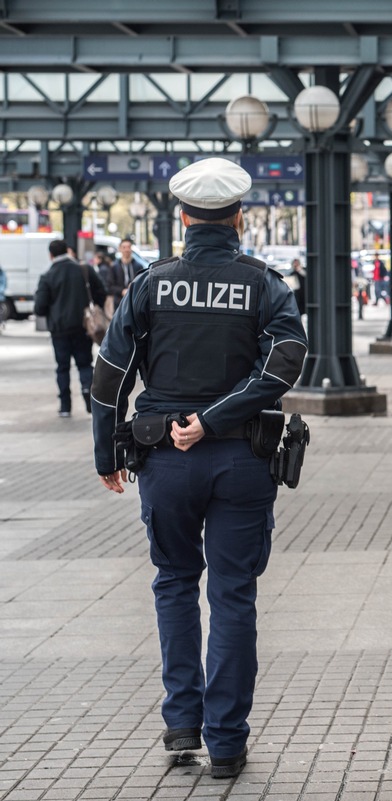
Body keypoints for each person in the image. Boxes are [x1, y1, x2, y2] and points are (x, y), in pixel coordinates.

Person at [90, 158, 308, 779]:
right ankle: (228, 742)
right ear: (239, 217)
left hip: (163, 461)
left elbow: (110, 379)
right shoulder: (265, 284)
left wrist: (107, 453)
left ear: (182, 217)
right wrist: (214, 419)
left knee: (175, 582)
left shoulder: (149, 285)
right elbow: (284, 366)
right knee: (234, 594)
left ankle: (182, 721)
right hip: (242, 459)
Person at [33, 239, 106, 417]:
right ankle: (89, 398)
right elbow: (101, 292)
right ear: (67, 250)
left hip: (59, 330)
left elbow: (39, 308)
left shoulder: (47, 276)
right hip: (83, 327)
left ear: (51, 255)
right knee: (85, 364)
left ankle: (65, 406)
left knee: (62, 367)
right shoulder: (84, 270)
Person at [102, 237, 144, 311]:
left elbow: (142, 283)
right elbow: (109, 286)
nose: (126, 250)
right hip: (119, 303)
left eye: (128, 247)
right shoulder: (114, 267)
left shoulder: (138, 266)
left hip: (135, 302)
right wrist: (122, 291)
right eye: (124, 247)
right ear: (120, 249)